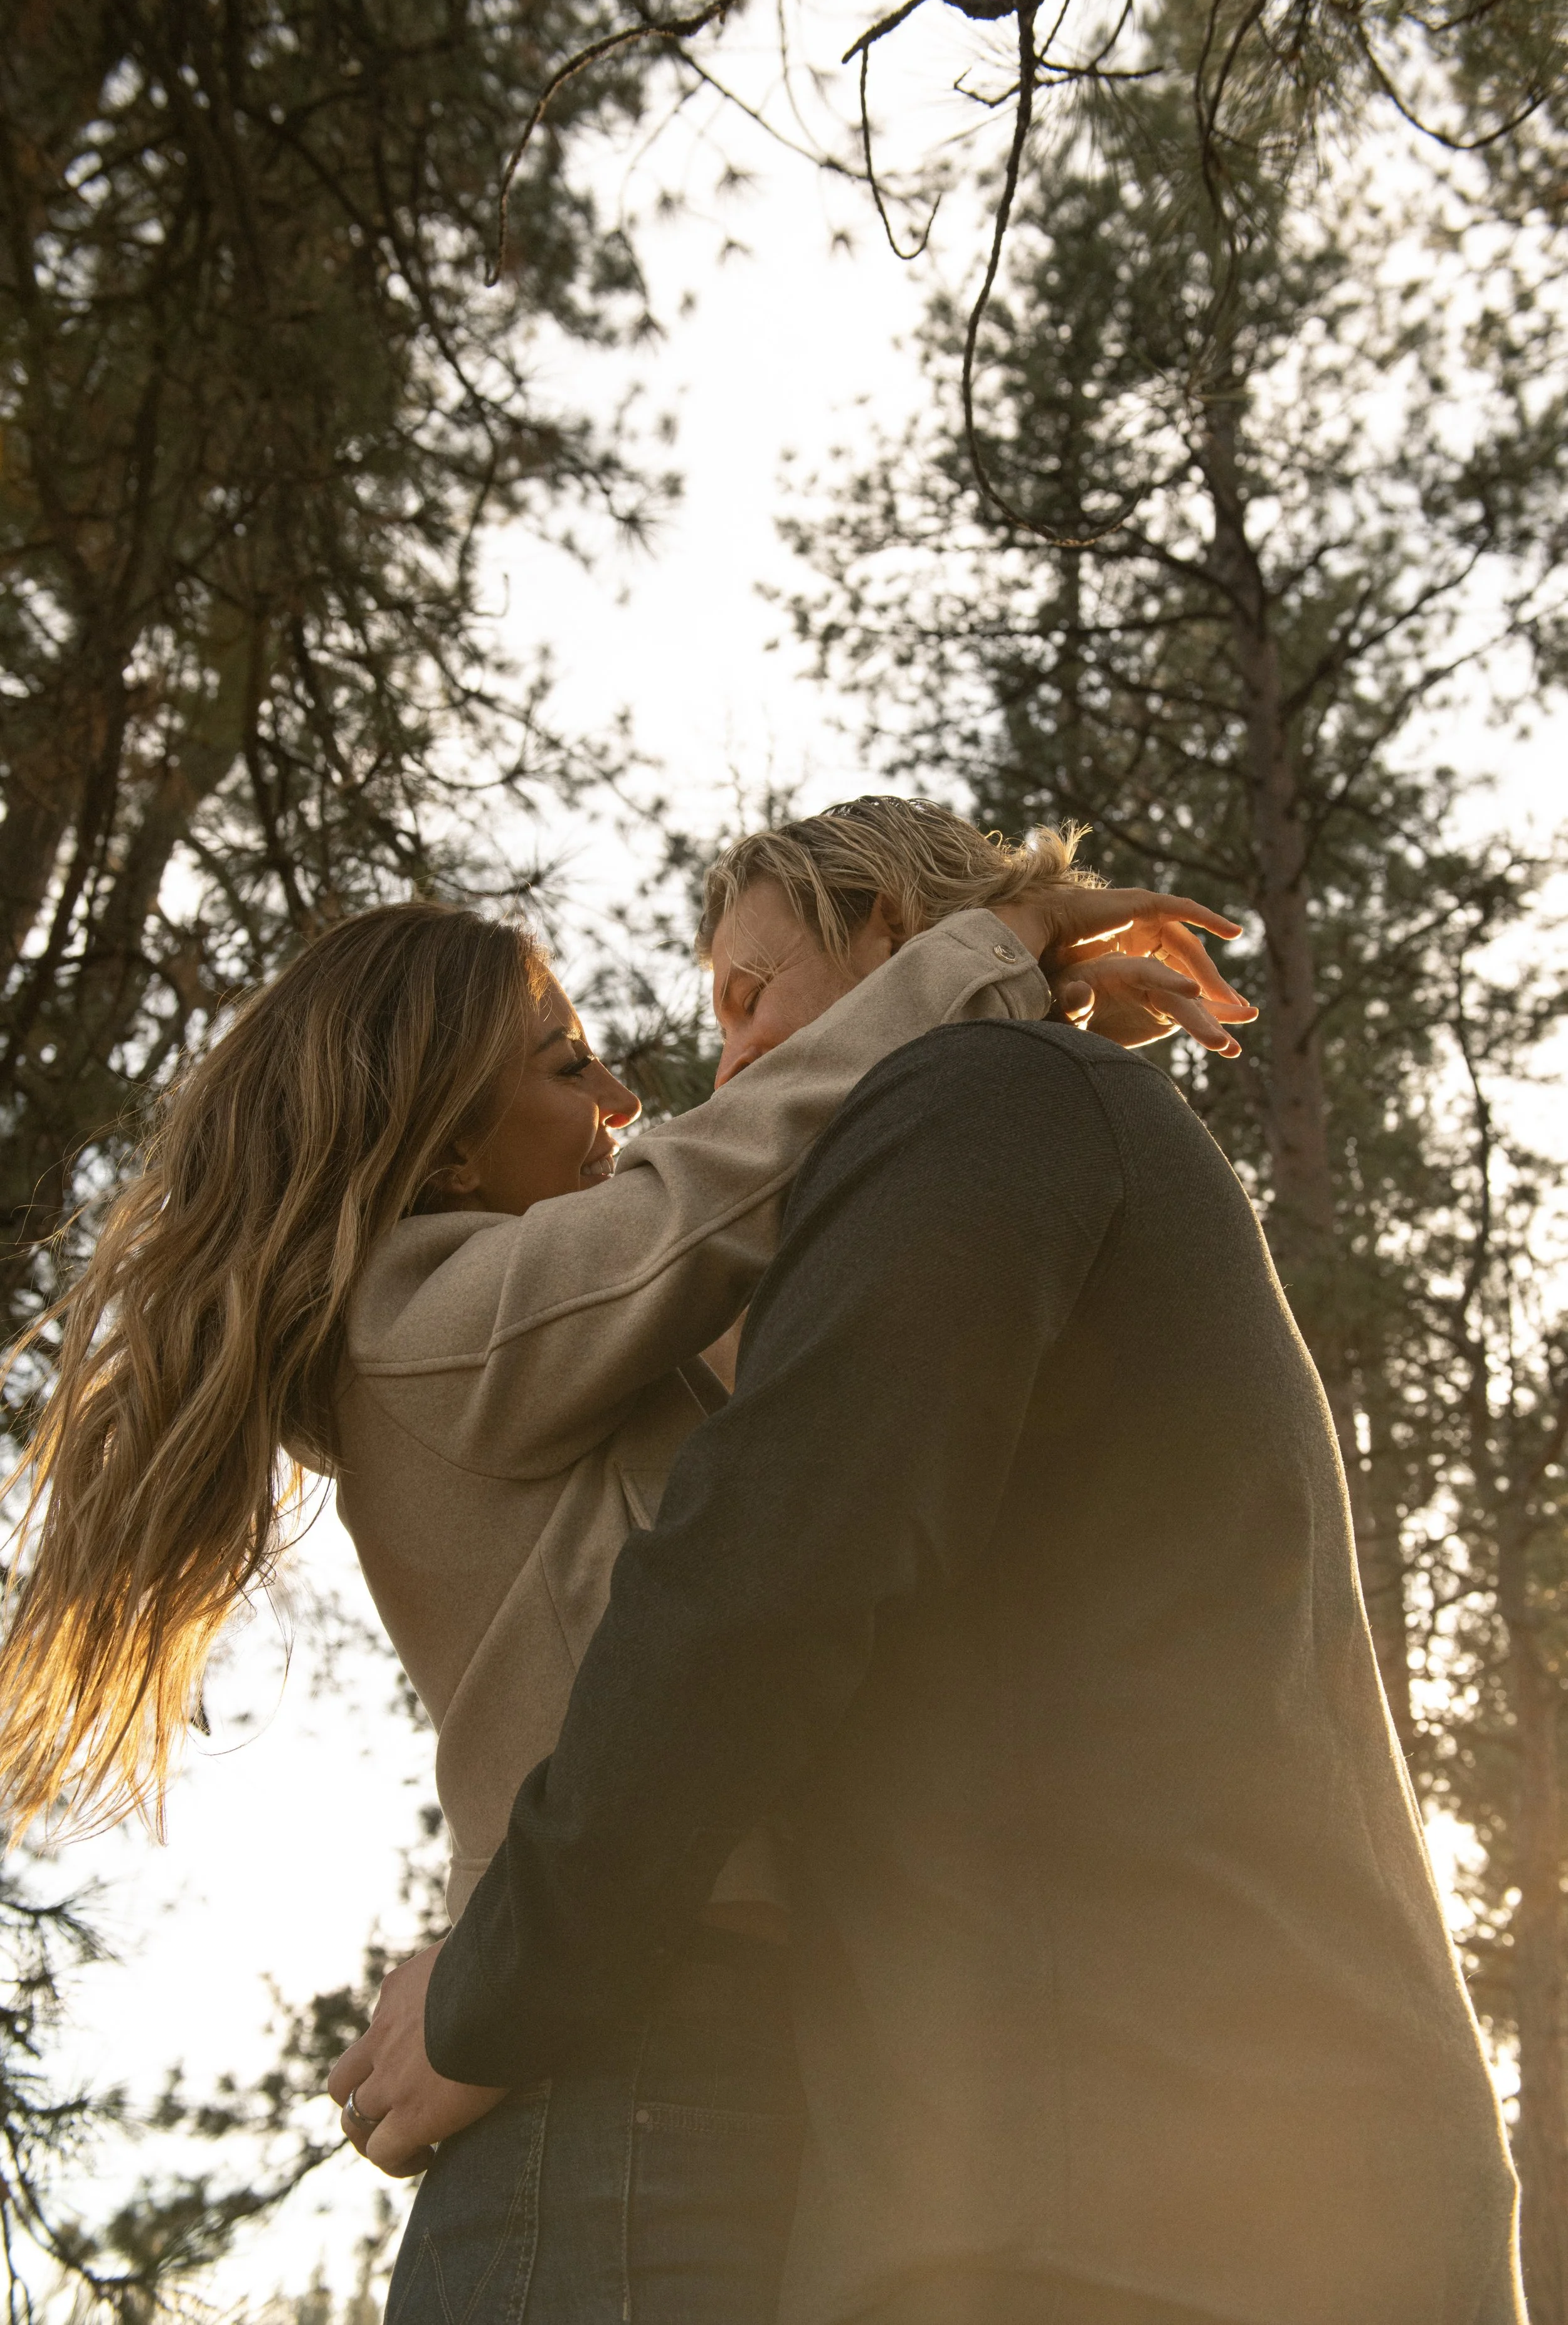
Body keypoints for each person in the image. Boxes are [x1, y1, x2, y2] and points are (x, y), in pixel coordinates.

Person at [0, 802, 1249, 2322]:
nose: (624, 1096)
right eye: (564, 1065)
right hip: (607, 2097)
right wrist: (1004, 943)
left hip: (680, 2064)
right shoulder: (423, 1330)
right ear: (445, 1139)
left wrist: (1012, 1024)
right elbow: (718, 1187)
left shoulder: (569, 1352)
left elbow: (843, 1273)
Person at [334, 800, 1524, 2325]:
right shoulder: (1023, 1125)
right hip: (1207, 2178)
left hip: (1140, 2204)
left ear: (893, 936)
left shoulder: (984, 1098)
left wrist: (496, 1984)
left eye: (748, 996)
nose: (720, 1074)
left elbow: (755, 1582)